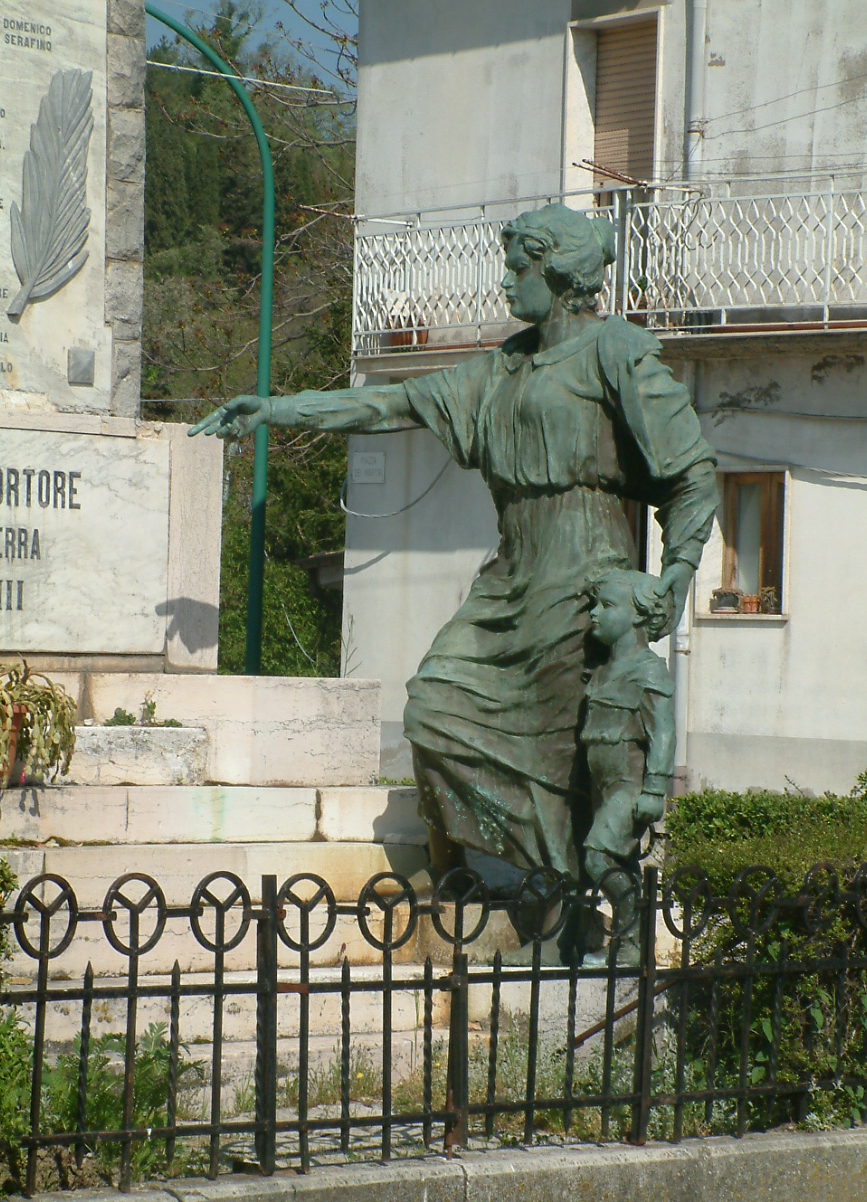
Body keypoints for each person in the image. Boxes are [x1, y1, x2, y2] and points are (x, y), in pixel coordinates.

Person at [191, 203, 718, 886]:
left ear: (554, 270)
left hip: (586, 568)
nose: (504, 282)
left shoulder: (615, 350)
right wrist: (280, 409)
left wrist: (676, 572)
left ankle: (573, 894)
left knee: (566, 743)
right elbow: (393, 405)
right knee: (434, 705)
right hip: (513, 571)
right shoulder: (500, 370)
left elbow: (691, 472)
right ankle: (505, 874)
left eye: (516, 267)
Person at [581, 569, 676, 887]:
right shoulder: (600, 672)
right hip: (600, 786)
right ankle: (634, 928)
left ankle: (631, 923)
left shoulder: (647, 671)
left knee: (597, 858)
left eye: (607, 605)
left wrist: (653, 790)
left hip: (628, 788)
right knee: (620, 862)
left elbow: (662, 732)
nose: (595, 613)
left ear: (638, 616)